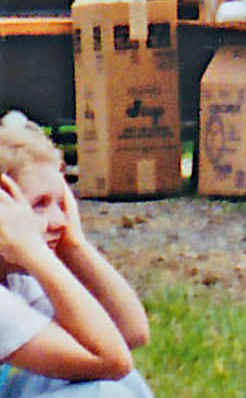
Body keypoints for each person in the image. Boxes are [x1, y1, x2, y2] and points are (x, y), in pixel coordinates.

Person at [0, 115, 149, 397]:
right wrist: (35, 252)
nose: (61, 221)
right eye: (40, 205)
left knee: (118, 380)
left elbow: (130, 332)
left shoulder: (13, 275)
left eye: (61, 203)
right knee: (103, 393)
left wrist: (74, 246)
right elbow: (111, 360)